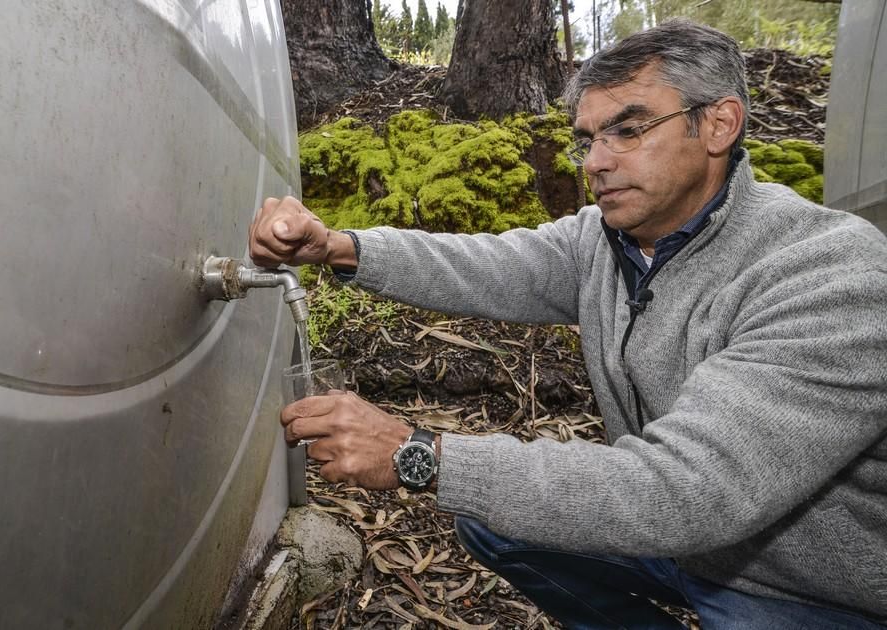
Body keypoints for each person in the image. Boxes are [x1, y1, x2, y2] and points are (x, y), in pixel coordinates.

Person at [250, 19, 887, 629]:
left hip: (807, 590)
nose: (594, 163)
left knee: (478, 486)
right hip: (677, 540)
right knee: (494, 519)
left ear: (719, 124)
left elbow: (685, 491)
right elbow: (485, 265)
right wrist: (334, 245)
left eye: (628, 130)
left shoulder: (829, 276)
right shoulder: (611, 238)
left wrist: (416, 455)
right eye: (588, 139)